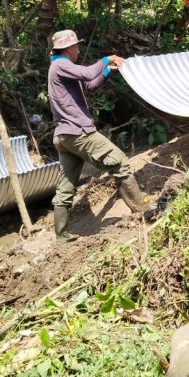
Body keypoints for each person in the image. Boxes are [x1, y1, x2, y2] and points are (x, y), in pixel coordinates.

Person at [47, 30, 148, 241]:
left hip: (64, 136)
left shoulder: (61, 68)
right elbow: (86, 74)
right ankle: (141, 210)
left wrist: (108, 71)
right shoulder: (61, 65)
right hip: (78, 132)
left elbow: (89, 85)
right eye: (76, 47)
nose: (78, 50)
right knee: (119, 162)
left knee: (66, 185)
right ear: (67, 49)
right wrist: (107, 58)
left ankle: (61, 235)